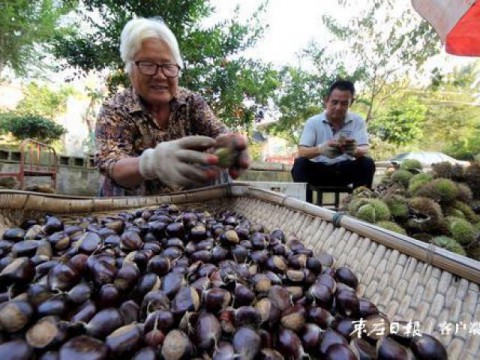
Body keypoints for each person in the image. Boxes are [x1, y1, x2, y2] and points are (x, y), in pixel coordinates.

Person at [94, 17, 249, 196]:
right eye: (148, 65)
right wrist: (150, 163)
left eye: (168, 66)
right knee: (115, 181)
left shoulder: (191, 102)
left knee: (215, 164)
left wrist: (233, 147)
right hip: (135, 208)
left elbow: (219, 132)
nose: (160, 76)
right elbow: (111, 164)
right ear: (130, 68)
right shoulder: (116, 108)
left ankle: (215, 216)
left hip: (187, 201)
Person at [291, 80, 375, 203]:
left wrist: (354, 150)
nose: (338, 107)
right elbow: (302, 151)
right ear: (326, 100)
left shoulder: (358, 121)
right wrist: (320, 149)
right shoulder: (313, 122)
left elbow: (365, 149)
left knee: (367, 163)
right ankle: (305, 208)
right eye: (334, 102)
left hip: (344, 171)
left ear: (351, 103)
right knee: (299, 164)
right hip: (319, 171)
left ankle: (359, 205)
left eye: (344, 104)